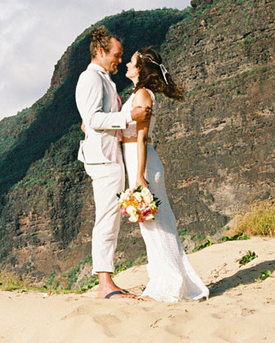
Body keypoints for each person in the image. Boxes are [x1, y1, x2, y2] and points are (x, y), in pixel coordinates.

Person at [121, 47, 209, 302]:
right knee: (151, 226)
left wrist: (139, 176)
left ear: (141, 68)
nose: (127, 64)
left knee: (156, 224)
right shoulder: (139, 93)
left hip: (143, 162)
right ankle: (165, 282)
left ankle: (168, 286)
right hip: (137, 160)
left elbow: (141, 137)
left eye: (132, 62)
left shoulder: (142, 94)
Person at [75, 26, 150, 299]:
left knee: (111, 218)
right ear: (100, 51)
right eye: (116, 55)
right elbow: (93, 118)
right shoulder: (90, 78)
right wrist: (129, 116)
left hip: (109, 155)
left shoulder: (104, 79)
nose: (120, 60)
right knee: (106, 218)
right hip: (103, 158)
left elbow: (88, 121)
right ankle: (105, 284)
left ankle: (107, 281)